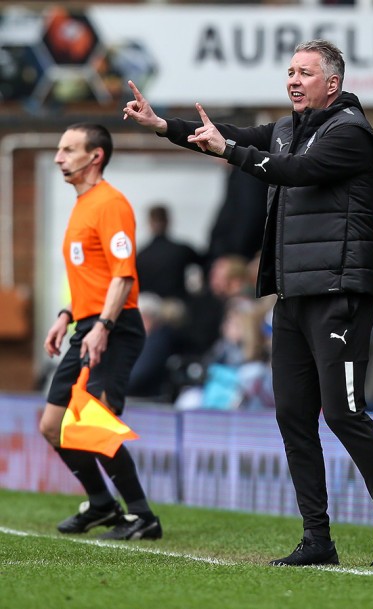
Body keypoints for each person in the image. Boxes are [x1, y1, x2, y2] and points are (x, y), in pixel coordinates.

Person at [123, 39, 373, 568]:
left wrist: (231, 153)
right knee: (292, 416)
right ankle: (317, 538)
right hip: (292, 295)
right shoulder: (286, 130)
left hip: (338, 293)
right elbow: (227, 137)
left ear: (332, 83)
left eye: (304, 72)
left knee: (345, 414)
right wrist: (162, 126)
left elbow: (292, 171)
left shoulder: (351, 131)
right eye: (289, 71)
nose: (293, 80)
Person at [40, 123, 161, 540]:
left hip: (115, 327)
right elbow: (92, 278)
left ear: (95, 156)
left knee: (93, 423)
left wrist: (103, 326)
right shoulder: (82, 204)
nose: (59, 157)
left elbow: (123, 276)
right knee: (52, 426)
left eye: (69, 149)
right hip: (85, 326)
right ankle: (103, 504)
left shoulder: (111, 204)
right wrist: (65, 314)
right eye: (60, 149)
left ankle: (144, 517)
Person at [135, 204, 202, 301]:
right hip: (176, 305)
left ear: (149, 223)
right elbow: (206, 264)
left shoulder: (141, 255)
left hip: (149, 308)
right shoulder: (182, 250)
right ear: (168, 221)